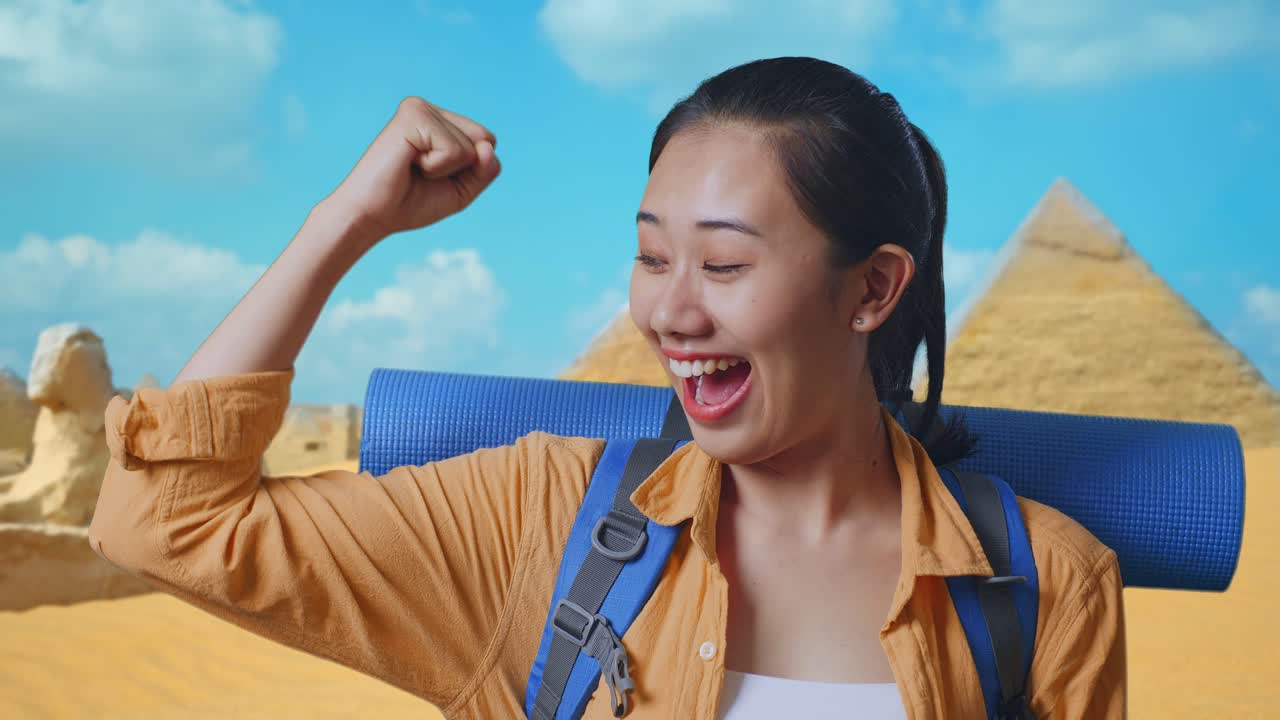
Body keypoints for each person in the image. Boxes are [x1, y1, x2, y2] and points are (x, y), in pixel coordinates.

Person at [89, 57, 1125, 718]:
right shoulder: (544, 523)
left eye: (722, 266)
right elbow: (165, 525)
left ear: (872, 289)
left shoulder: (1044, 588)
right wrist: (342, 223)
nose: (669, 314)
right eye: (649, 257)